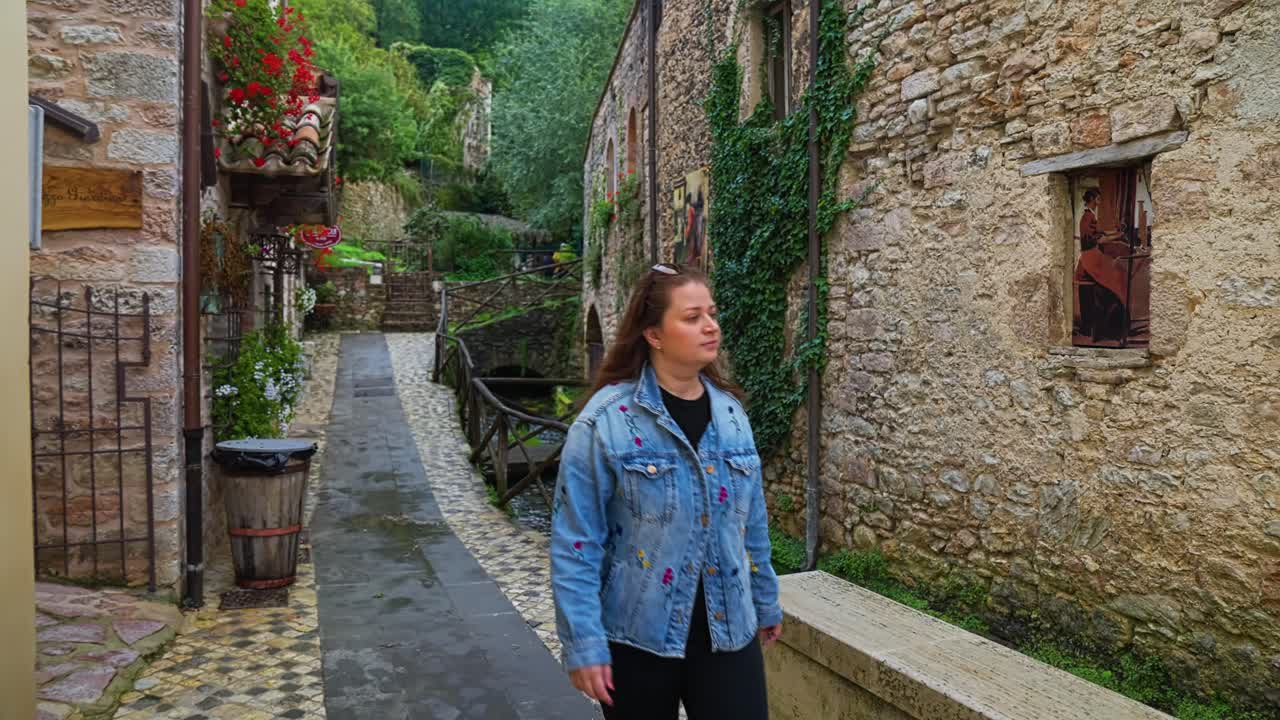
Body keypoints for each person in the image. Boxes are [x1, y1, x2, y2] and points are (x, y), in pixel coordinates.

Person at [550, 263, 781, 720]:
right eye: (692, 317)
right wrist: (583, 642)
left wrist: (765, 598)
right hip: (638, 635)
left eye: (711, 314)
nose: (710, 326)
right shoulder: (604, 423)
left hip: (728, 630)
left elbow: (752, 523)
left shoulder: (733, 416)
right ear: (654, 335)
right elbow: (576, 542)